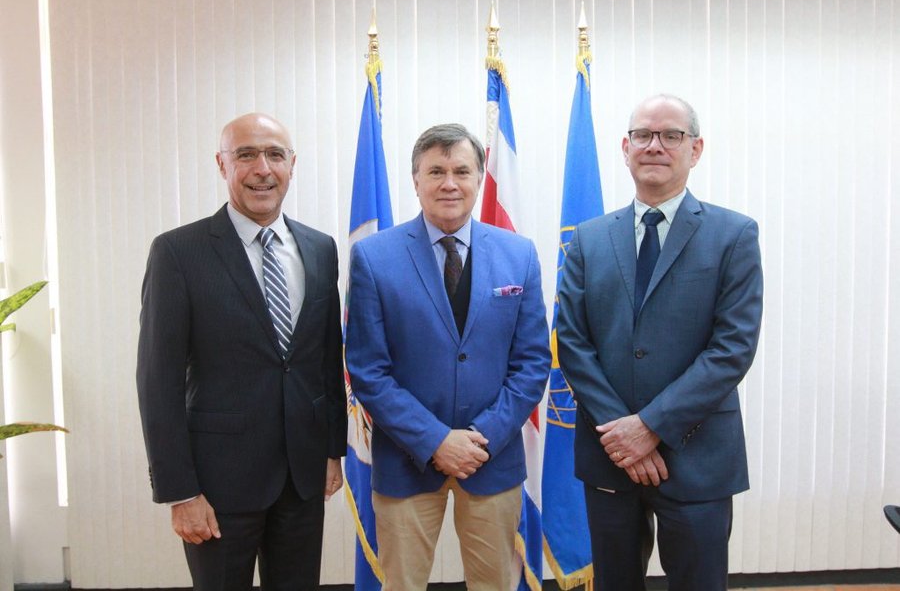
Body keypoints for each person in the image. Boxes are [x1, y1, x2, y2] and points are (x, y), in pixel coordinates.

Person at [557, 94, 763, 590]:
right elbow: (573, 342)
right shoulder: (587, 239)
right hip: (610, 454)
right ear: (625, 147)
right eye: (643, 135)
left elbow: (731, 349)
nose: (655, 145)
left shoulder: (733, 235)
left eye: (671, 135)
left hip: (698, 455)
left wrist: (650, 426)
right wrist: (624, 435)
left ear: (696, 149)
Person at [136, 113, 346, 591]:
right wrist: (180, 491)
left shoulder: (320, 248)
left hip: (302, 477)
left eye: (274, 155)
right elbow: (157, 381)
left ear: (292, 164)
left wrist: (332, 450)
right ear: (222, 164)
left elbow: (325, 359)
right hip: (217, 486)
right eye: (246, 155)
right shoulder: (178, 253)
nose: (262, 169)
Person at [345, 123, 550, 590]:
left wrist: (480, 438)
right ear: (415, 180)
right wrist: (436, 440)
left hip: (491, 459)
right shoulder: (374, 258)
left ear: (479, 177)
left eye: (461, 170)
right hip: (407, 461)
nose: (449, 183)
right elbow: (368, 371)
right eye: (436, 171)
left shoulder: (519, 255)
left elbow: (532, 363)